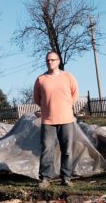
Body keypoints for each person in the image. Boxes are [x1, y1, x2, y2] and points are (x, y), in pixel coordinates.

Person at [33, 51, 79, 187]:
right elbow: (37, 98)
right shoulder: (41, 79)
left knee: (68, 150)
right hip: (48, 120)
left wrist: (66, 106)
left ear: (58, 61)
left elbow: (75, 94)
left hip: (66, 119)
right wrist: (47, 107)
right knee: (47, 149)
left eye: (52, 60)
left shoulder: (68, 76)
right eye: (47, 60)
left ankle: (66, 177)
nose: (50, 62)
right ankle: (45, 178)